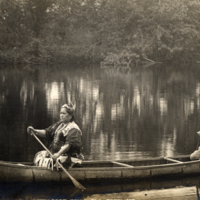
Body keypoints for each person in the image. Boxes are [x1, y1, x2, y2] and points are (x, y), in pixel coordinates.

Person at [27, 102, 84, 169]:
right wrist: (35, 131)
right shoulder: (60, 124)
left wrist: (57, 154)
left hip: (69, 158)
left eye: (64, 113)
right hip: (57, 154)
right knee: (39, 155)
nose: (61, 115)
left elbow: (68, 145)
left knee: (51, 161)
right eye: (60, 113)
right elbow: (47, 133)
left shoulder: (74, 128)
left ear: (70, 116)